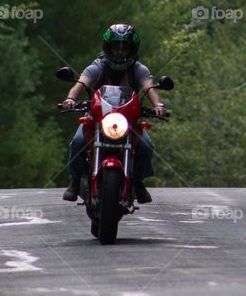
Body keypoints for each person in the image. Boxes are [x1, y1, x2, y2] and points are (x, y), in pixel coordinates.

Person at [60, 23, 167, 203]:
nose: (119, 51)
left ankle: (138, 182)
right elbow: (81, 83)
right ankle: (76, 181)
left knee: (146, 146)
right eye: (116, 46)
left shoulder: (139, 69)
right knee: (78, 142)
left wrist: (158, 105)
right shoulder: (97, 66)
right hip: (96, 119)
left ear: (132, 49)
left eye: (124, 47)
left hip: (128, 122)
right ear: (108, 47)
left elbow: (149, 88)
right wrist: (70, 99)